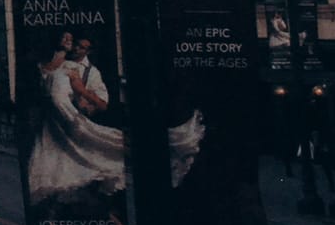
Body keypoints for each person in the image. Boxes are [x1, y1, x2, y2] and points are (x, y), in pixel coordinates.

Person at [25, 31, 204, 209]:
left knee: (112, 145)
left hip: (72, 119)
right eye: (75, 44)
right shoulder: (47, 65)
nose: (76, 48)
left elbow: (101, 103)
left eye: (80, 46)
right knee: (63, 165)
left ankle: (167, 152)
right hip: (53, 122)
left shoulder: (84, 70)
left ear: (88, 51)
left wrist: (84, 99)